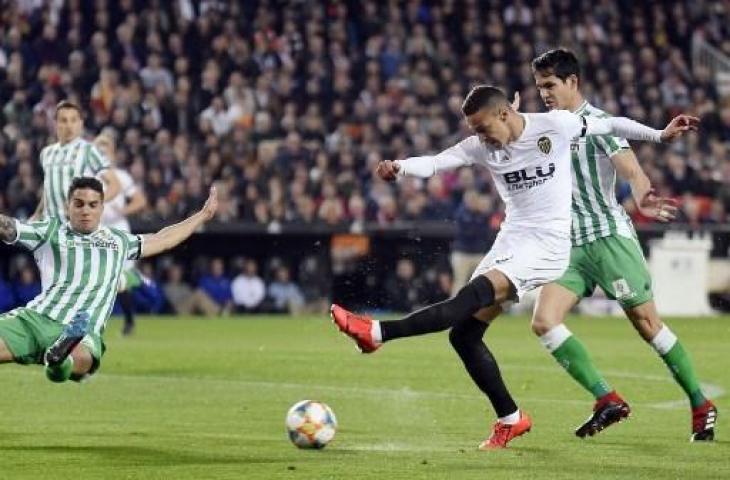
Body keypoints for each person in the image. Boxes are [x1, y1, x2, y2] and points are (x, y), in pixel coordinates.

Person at [331, 84, 697, 449]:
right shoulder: (481, 145)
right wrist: (401, 168)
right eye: (474, 130)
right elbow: (438, 161)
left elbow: (609, 125)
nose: (479, 136)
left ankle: (378, 334)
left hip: (547, 246)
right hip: (512, 240)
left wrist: (659, 135)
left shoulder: (554, 126)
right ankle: (511, 418)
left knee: (469, 297)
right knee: (464, 335)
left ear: (505, 114)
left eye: (483, 127)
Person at [527, 48, 716, 441]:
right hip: (569, 245)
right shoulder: (544, 126)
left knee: (648, 325)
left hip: (609, 238)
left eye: (550, 85)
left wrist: (643, 195)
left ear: (572, 82)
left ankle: (700, 403)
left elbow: (631, 169)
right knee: (543, 321)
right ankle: (607, 399)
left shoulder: (598, 123)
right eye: (539, 86)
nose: (544, 93)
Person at [0, 177, 218, 382]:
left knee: (81, 358)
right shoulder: (50, 231)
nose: (86, 210)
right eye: (79, 204)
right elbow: (8, 227)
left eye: (93, 205)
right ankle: (58, 361)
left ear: (102, 209)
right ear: (68, 207)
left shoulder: (118, 241)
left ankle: (60, 359)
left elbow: (163, 238)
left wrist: (202, 216)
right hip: (35, 320)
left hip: (82, 330)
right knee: (70, 362)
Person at [95, 131, 148, 336]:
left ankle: (129, 321)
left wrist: (123, 210)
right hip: (96, 231)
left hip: (118, 229)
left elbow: (140, 200)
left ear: (113, 152)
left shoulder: (122, 176)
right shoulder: (89, 176)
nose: (102, 152)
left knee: (121, 279)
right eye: (98, 148)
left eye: (105, 148)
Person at [31, 100, 121, 221]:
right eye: (64, 120)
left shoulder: (90, 150)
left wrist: (90, 206)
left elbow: (115, 185)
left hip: (77, 228)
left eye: (73, 120)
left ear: (80, 124)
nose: (69, 125)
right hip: (50, 226)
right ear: (55, 124)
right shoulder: (46, 153)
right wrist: (37, 214)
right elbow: (49, 188)